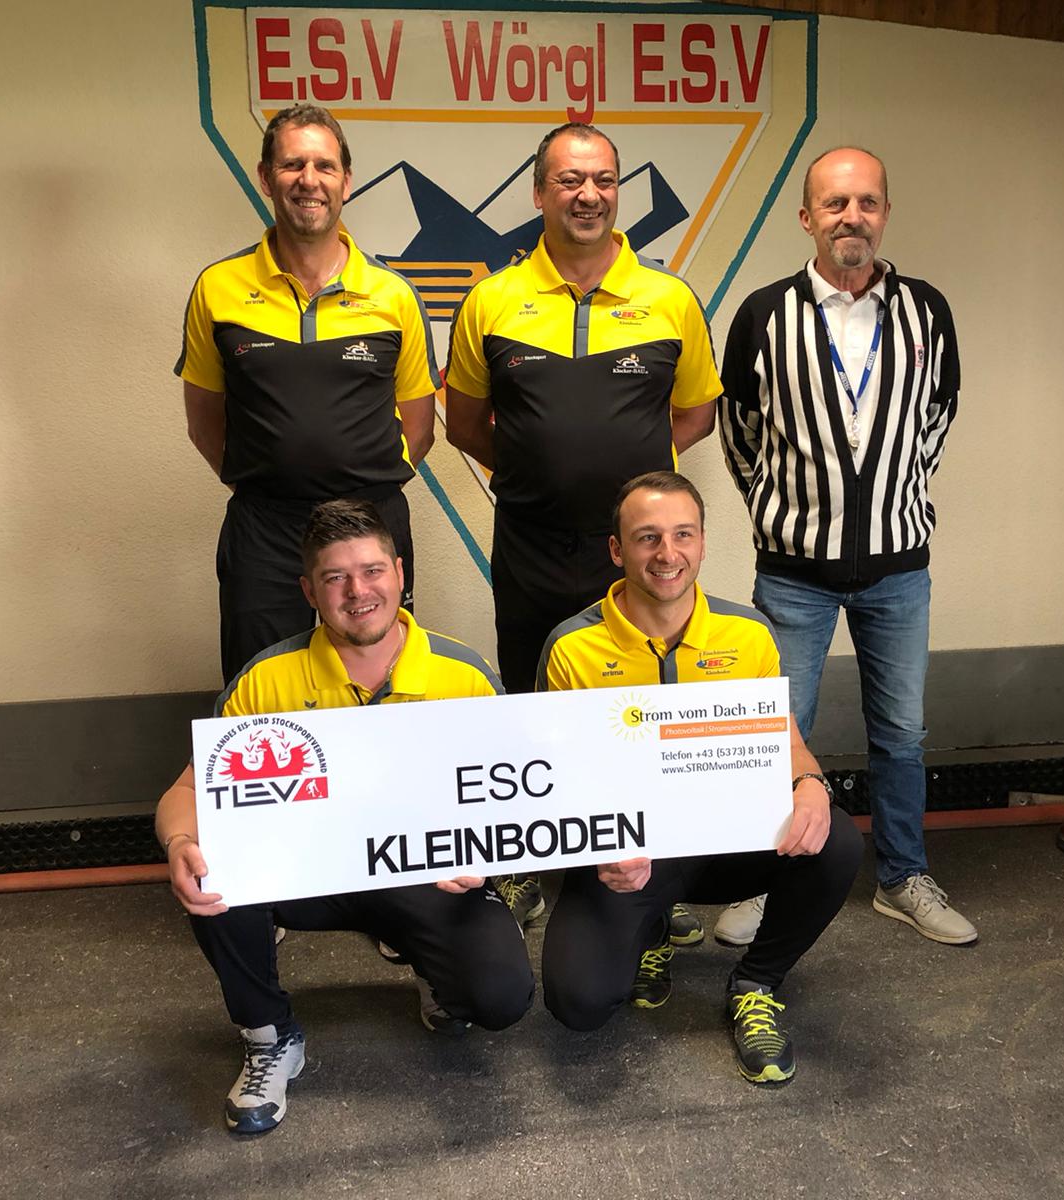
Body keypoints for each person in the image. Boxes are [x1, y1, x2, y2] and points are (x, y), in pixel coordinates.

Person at [155, 500, 533, 1135]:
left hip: (424, 875)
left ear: (400, 573)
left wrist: (490, 856)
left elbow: (522, 796)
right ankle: (269, 1036)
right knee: (214, 861)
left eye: (372, 571)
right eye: (336, 577)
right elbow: (188, 788)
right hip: (309, 874)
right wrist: (180, 841)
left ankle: (433, 967)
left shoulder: (465, 674)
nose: (358, 591)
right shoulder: (266, 679)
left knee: (499, 999)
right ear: (309, 591)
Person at [444, 121, 722, 932]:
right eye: (569, 180)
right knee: (532, 702)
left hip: (635, 557)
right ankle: (531, 862)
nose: (588, 194)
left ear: (618, 191)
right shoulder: (491, 299)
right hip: (530, 542)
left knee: (636, 710)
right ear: (539, 193)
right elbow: (465, 423)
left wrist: (633, 497)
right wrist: (541, 470)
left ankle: (648, 873)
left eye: (602, 179)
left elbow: (695, 412)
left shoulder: (670, 299)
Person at [716, 146, 975, 948]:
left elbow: (937, 415)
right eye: (834, 203)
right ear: (807, 218)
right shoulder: (763, 315)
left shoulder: (927, 311)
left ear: (885, 213)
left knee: (901, 733)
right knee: (776, 729)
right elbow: (740, 432)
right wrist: (786, 509)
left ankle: (902, 877)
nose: (851, 217)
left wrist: (889, 491)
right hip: (793, 573)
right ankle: (764, 880)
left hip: (898, 570)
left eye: (866, 202)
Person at [537, 472, 863, 1086]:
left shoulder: (749, 634)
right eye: (648, 537)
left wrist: (811, 784)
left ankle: (757, 984)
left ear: (704, 543)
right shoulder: (571, 647)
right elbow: (555, 781)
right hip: (631, 854)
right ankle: (652, 930)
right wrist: (600, 849)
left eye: (682, 534)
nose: (668, 553)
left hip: (728, 842)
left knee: (836, 840)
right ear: (617, 550)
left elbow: (786, 740)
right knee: (578, 1005)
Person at [176, 104, 438, 684]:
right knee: (262, 685)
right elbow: (204, 421)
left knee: (379, 681)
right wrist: (271, 481)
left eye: (324, 165)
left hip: (371, 523)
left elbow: (419, 429)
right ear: (266, 178)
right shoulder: (218, 288)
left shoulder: (394, 294)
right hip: (266, 530)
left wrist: (358, 489)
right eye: (292, 164)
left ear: (347, 180)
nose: (309, 179)